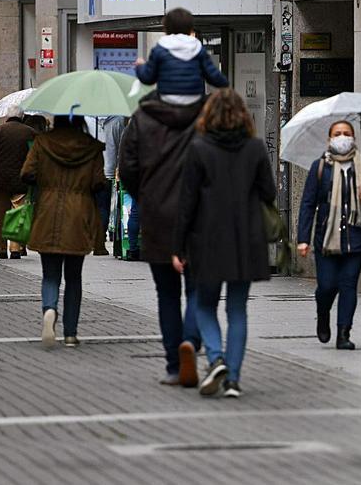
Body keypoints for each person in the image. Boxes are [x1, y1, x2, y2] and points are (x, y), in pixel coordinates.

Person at [173, 89, 276, 398]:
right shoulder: (256, 148)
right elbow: (269, 192)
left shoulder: (198, 148)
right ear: (243, 115)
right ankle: (233, 378)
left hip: (207, 238)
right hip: (246, 239)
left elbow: (187, 202)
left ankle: (215, 357)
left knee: (205, 304)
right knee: (237, 309)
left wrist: (178, 247)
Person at [118, 91, 205, 388]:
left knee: (167, 295)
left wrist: (146, 196)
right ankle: (191, 341)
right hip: (200, 216)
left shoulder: (143, 118)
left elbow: (127, 169)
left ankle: (173, 364)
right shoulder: (206, 113)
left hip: (158, 218)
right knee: (198, 290)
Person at [20, 115, 105, 348]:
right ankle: (70, 333)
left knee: (50, 274)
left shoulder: (42, 142)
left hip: (48, 211)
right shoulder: (92, 147)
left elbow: (26, 173)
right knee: (74, 277)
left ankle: (49, 310)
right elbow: (99, 183)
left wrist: (45, 180)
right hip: (79, 215)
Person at [296, 120, 361, 349]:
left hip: (357, 238)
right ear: (329, 139)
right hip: (326, 238)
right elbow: (307, 203)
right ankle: (322, 313)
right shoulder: (320, 167)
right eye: (337, 134)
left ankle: (344, 333)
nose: (342, 137)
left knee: (348, 285)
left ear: (354, 138)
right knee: (327, 285)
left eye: (346, 133)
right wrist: (303, 238)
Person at [135, 8, 229, 105]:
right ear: (190, 28)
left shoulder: (160, 49)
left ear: (166, 28)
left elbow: (148, 78)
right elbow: (216, 79)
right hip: (194, 102)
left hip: (167, 100)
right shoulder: (198, 49)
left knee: (143, 105)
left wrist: (140, 66)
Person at [0, 112, 37, 259]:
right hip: (22, 181)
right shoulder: (30, 132)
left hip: (1, 183)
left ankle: (1, 247)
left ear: (7, 117)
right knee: (19, 214)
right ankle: (16, 248)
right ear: (21, 117)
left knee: (2, 215)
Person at [86, 116, 126, 256]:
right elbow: (122, 145)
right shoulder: (118, 119)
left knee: (89, 205)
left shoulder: (86, 117)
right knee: (103, 207)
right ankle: (99, 240)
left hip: (88, 171)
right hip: (108, 171)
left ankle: (90, 236)